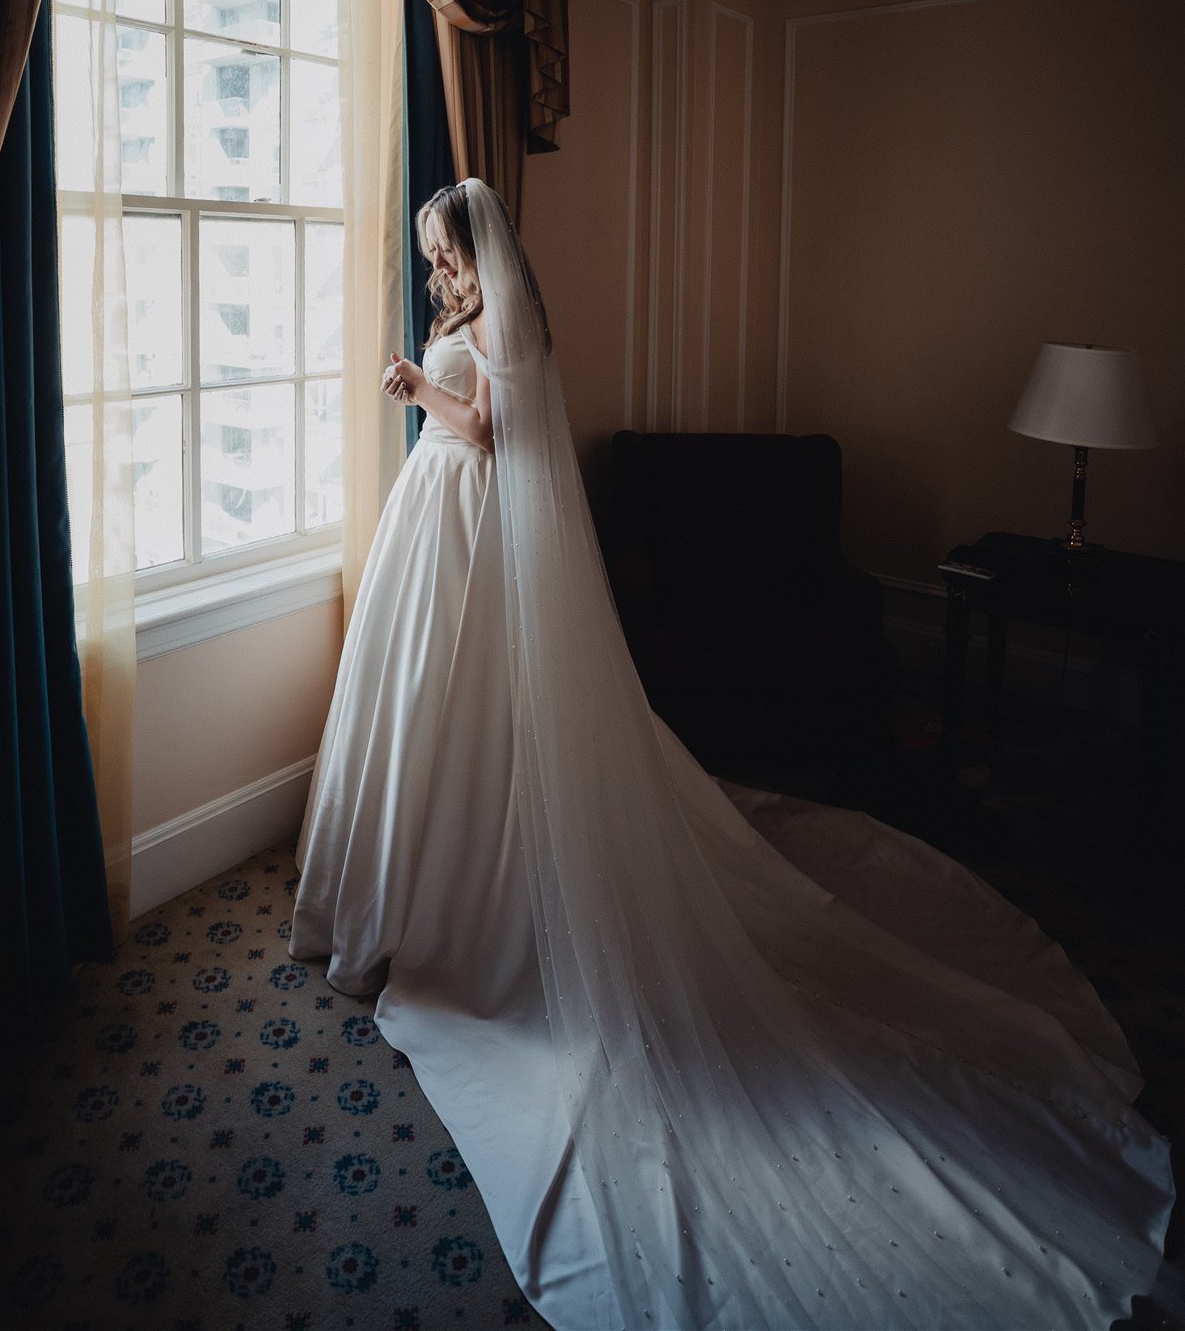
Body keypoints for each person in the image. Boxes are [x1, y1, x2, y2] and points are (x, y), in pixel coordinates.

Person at [290, 178, 1173, 1330]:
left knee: (477, 726)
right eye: (432, 257)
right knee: (422, 710)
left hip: (472, 519)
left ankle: (473, 894)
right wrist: (424, 386)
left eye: (441, 251)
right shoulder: (462, 316)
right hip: (435, 521)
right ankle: (408, 882)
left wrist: (421, 395)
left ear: (474, 249)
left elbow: (501, 435)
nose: (437, 269)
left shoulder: (503, 322)